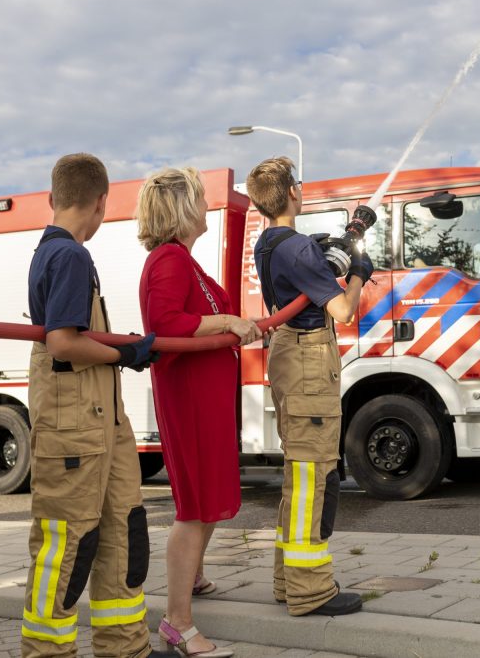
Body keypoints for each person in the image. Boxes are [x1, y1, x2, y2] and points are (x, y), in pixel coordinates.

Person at [21, 154, 174, 658]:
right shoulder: (69, 257)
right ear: (102, 204)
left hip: (96, 420)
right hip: (77, 421)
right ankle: (48, 652)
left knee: (122, 534)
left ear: (52, 198)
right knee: (66, 549)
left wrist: (121, 351)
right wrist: (125, 352)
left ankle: (126, 647)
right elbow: (64, 343)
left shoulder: (55, 252)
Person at [138, 167, 263, 657]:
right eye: (200, 200)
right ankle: (177, 623)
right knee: (193, 506)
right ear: (181, 209)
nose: (208, 207)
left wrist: (234, 325)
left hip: (203, 396)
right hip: (189, 397)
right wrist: (229, 320)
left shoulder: (181, 260)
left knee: (206, 497)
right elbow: (168, 322)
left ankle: (192, 578)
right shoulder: (169, 259)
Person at [249, 156, 370, 617]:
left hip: (287, 353)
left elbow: (301, 280)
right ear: (294, 194)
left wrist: (323, 256)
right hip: (308, 357)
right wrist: (358, 271)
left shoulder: (269, 243)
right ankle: (311, 591)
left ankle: (288, 582)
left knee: (297, 473)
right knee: (313, 475)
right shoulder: (296, 247)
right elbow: (342, 311)